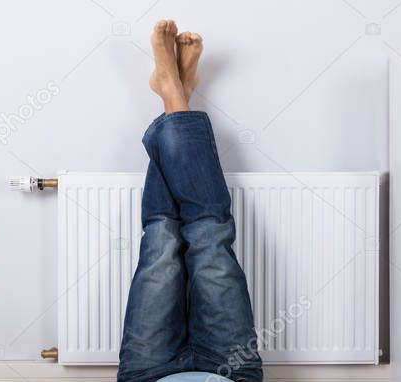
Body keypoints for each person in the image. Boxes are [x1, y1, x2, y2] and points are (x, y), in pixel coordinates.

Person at [116, 20, 264, 382]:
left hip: (147, 374)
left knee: (161, 241)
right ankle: (175, 92)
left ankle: (174, 92)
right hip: (232, 371)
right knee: (210, 237)